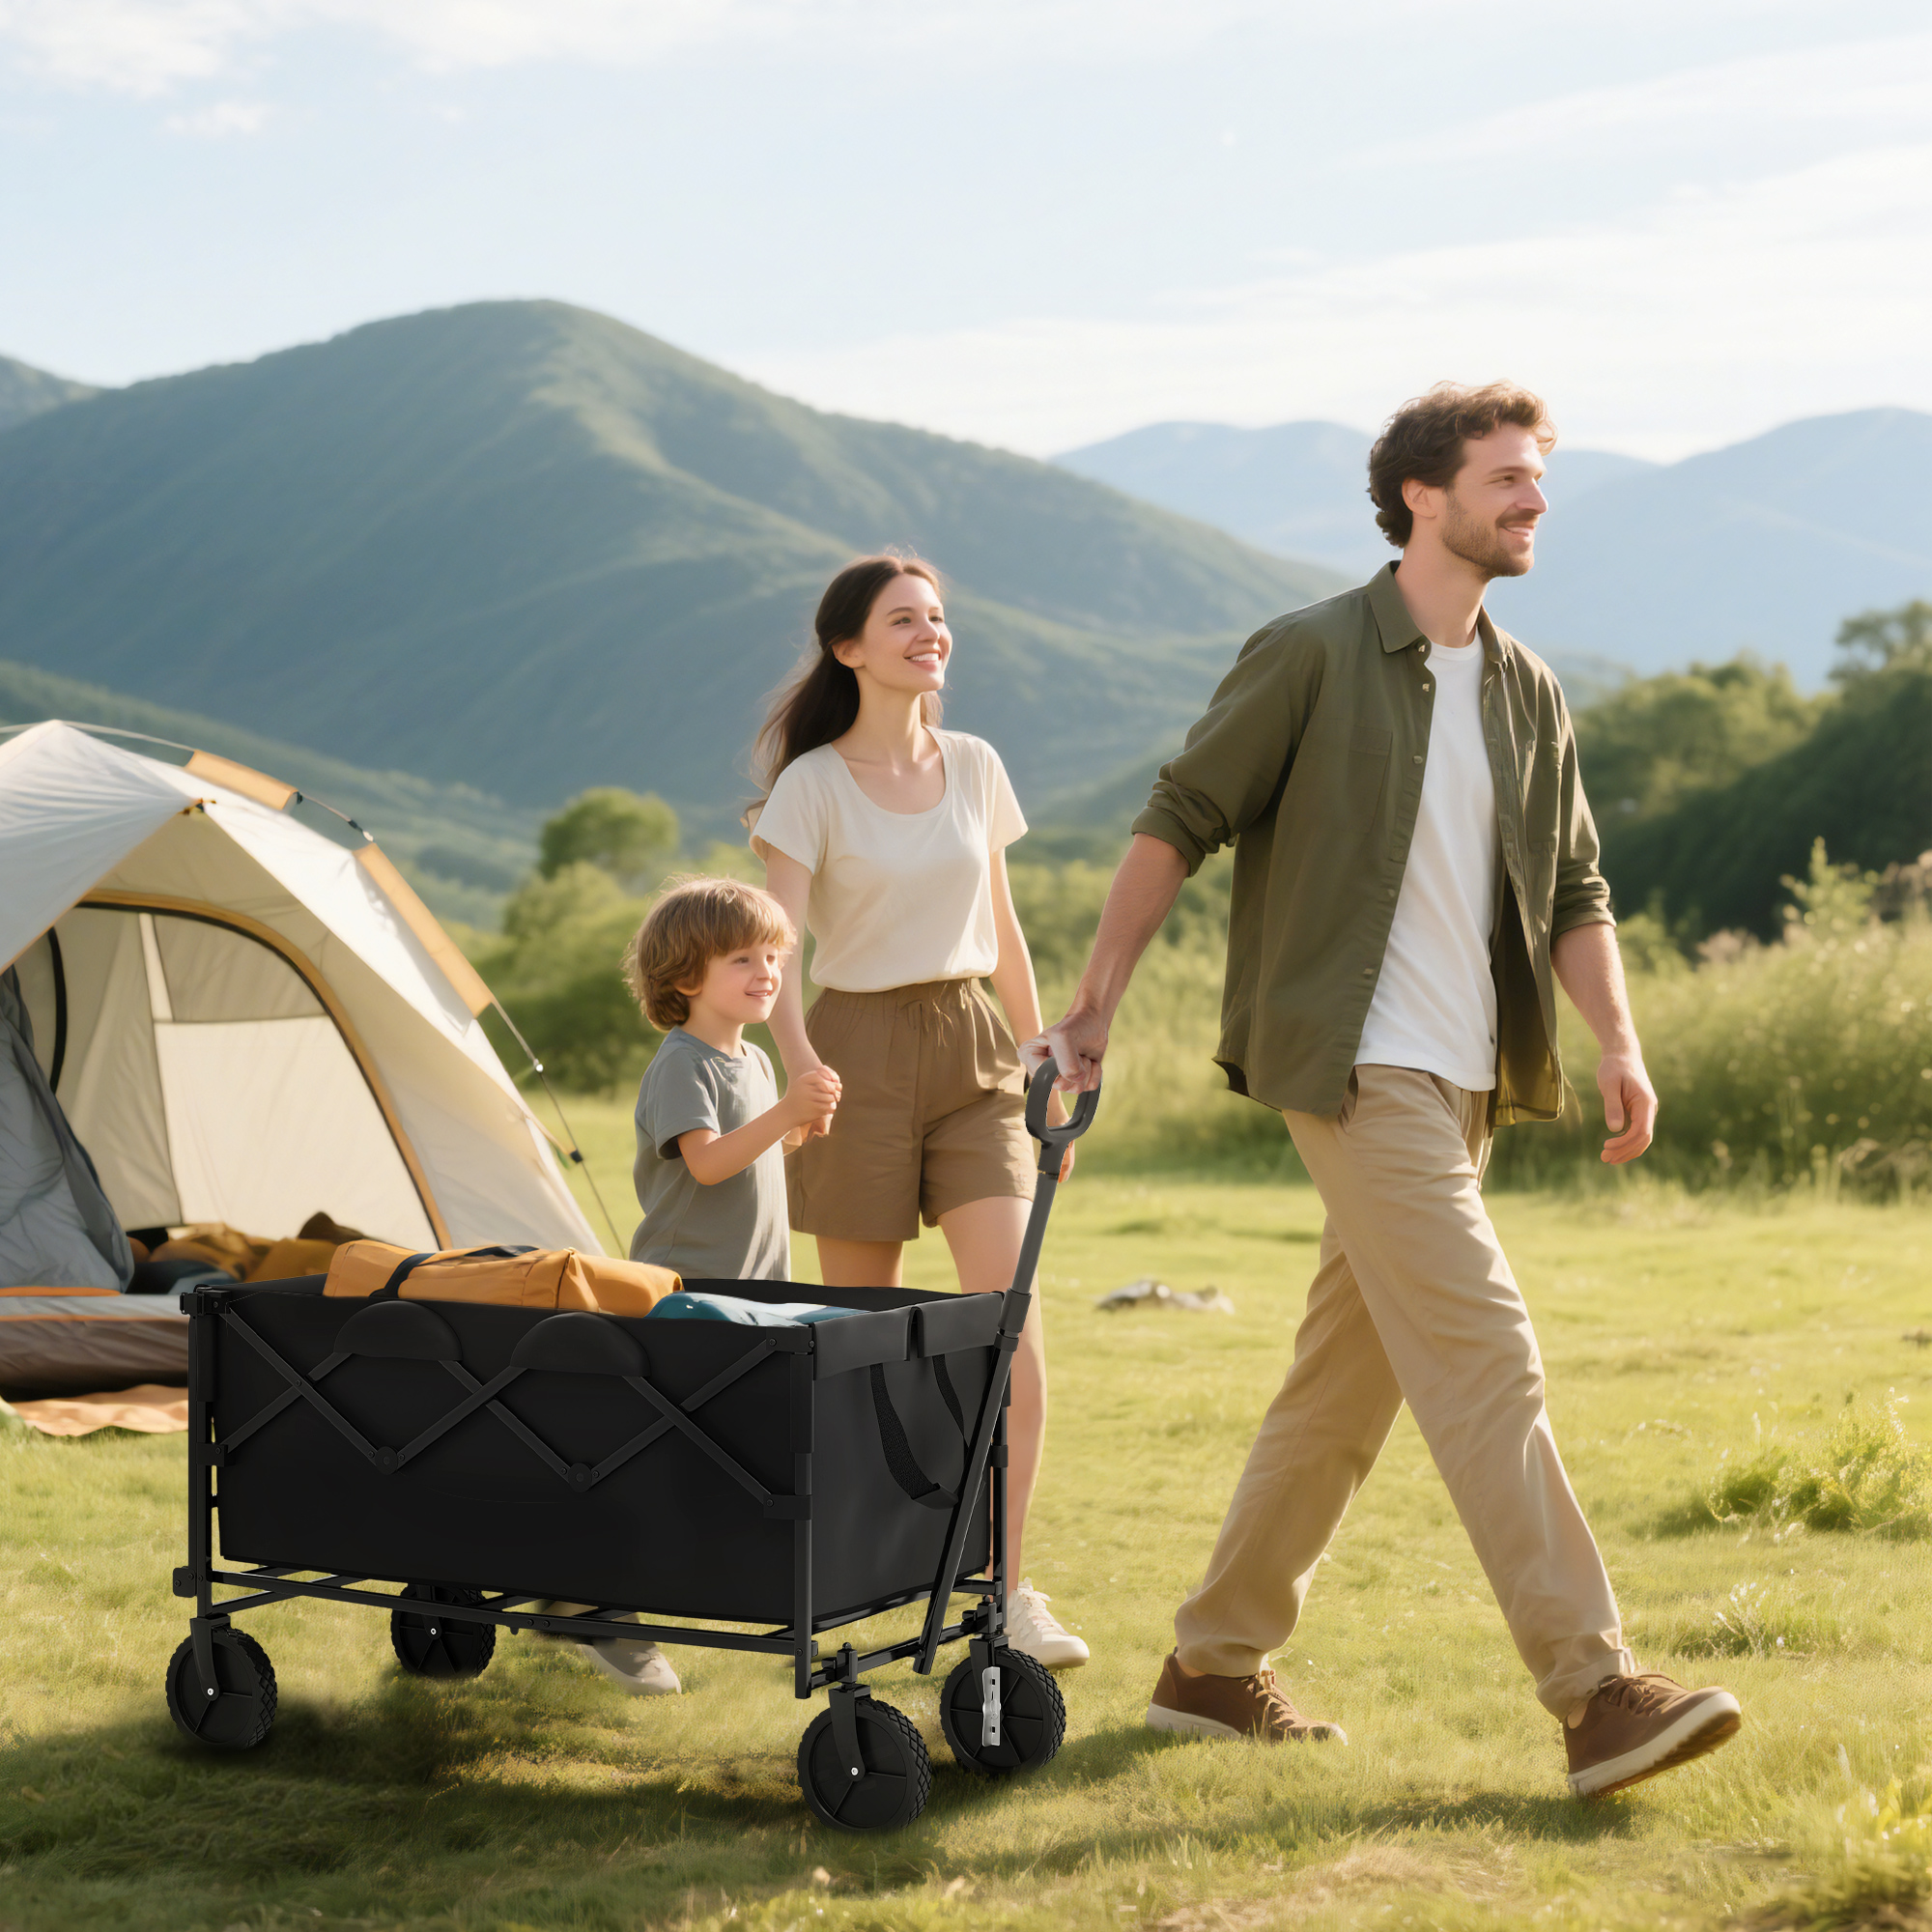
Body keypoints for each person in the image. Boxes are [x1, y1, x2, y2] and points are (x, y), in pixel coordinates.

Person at [1030, 383, 1742, 1797]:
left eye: (1538, 480)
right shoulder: (1308, 654)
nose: (1533, 500)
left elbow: (1579, 888)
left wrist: (1619, 1039)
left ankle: (1211, 1671)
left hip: (1468, 1076)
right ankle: (1596, 1690)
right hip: (1354, 1062)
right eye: (1507, 478)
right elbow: (1179, 819)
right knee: (1486, 1349)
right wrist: (1095, 1006)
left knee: (1340, 1390)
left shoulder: (1529, 688)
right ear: (1423, 496)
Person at [751, 553, 1087, 1670]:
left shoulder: (976, 765)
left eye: (937, 617)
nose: (927, 632)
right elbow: (777, 950)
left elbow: (1002, 924)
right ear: (848, 646)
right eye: (902, 619)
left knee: (1009, 1331)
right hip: (851, 1051)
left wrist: (1048, 1056)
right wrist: (796, 1061)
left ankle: (1005, 1587)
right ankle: (868, 1572)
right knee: (864, 1346)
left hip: (975, 1054)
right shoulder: (811, 786)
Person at [547, 875, 841, 1700]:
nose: (768, 971)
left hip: (747, 1294)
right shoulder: (682, 1065)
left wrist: (793, 1128)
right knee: (670, 1460)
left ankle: (645, 1596)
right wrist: (786, 1115)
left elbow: (741, 1164)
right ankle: (601, 1612)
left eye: (776, 955)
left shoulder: (746, 1058)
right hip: (685, 1299)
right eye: (743, 957)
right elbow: (708, 1162)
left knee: (717, 1458)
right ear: (685, 978)